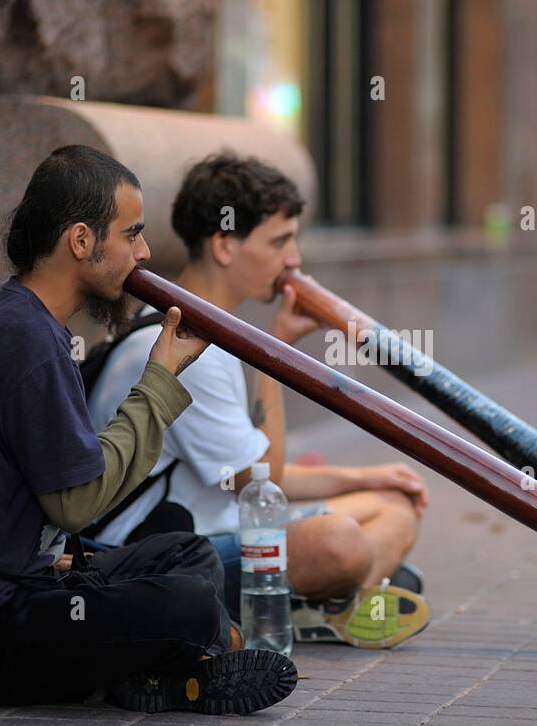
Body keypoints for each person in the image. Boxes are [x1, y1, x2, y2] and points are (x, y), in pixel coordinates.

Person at [0, 145, 297, 715]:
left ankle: (158, 674)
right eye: (131, 235)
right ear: (81, 241)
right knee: (190, 605)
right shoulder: (29, 341)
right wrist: (161, 378)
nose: (145, 254)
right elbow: (77, 505)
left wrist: (16, 548)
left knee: (188, 553)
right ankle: (183, 667)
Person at [87, 152, 430, 649]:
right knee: (341, 545)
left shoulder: (197, 328)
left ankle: (324, 601)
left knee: (395, 506)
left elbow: (252, 476)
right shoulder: (187, 346)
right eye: (280, 241)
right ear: (225, 245)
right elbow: (260, 481)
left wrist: (366, 477)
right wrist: (277, 357)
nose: (294, 260)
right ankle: (308, 603)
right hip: (157, 560)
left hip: (219, 529)